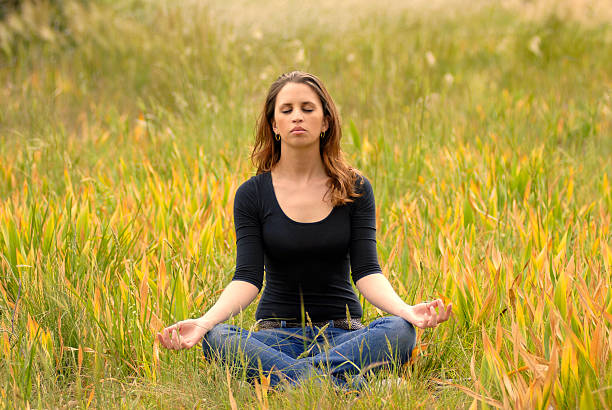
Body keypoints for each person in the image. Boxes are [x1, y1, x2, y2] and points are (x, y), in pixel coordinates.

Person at [157, 71, 452, 390]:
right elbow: (247, 278)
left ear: (326, 121)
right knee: (218, 338)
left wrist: (406, 310)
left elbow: (367, 271)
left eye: (308, 108)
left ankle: (288, 382)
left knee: (400, 330)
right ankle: (343, 384)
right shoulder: (252, 194)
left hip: (344, 337)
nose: (297, 116)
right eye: (286, 110)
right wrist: (204, 323)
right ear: (274, 125)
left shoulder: (355, 189)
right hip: (275, 339)